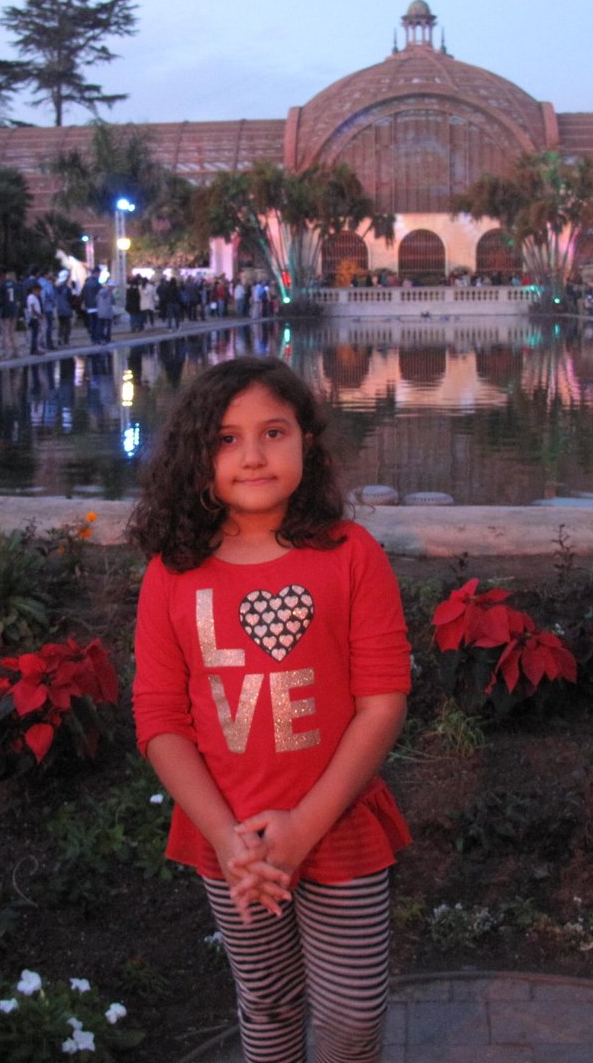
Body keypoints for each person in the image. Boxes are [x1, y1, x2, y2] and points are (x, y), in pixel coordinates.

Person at [128, 357, 411, 1063]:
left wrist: (302, 827)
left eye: (273, 432)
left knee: (353, 1018)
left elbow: (382, 702)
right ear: (196, 454)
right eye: (227, 439)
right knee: (268, 1004)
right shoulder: (172, 573)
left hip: (337, 825)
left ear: (306, 442)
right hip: (232, 841)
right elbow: (160, 720)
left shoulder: (351, 555)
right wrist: (231, 841)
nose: (252, 455)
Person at [25, 281, 45, 355]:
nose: (39, 293)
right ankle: (35, 349)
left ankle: (34, 349)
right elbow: (33, 309)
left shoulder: (34, 297)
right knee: (35, 335)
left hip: (36, 317)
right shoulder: (31, 297)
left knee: (36, 334)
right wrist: (39, 315)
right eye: (38, 291)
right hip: (34, 318)